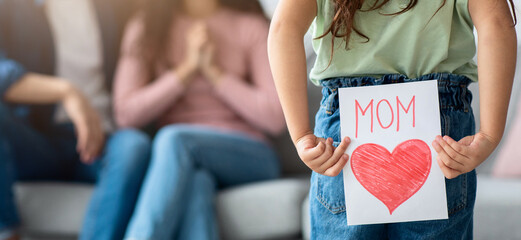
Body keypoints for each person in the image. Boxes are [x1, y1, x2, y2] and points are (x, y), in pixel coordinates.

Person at [268, 0, 516, 239]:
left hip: (346, 123)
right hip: (437, 119)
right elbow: (496, 23)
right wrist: (490, 134)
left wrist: (301, 135)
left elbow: (283, 28)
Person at [113, 0, 285, 239]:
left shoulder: (250, 26)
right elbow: (125, 114)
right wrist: (187, 69)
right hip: (179, 160)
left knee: (175, 139)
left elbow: (276, 117)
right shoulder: (147, 28)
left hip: (249, 153)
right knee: (197, 183)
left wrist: (214, 73)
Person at [0, 0, 151, 239]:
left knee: (134, 147)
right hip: (35, 140)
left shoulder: (115, 7)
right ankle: (5, 233)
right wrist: (66, 91)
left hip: (101, 140)